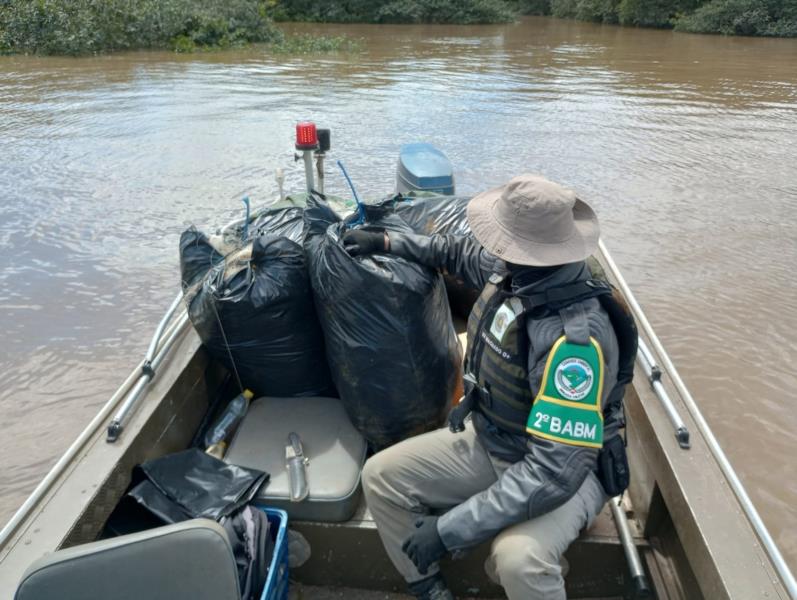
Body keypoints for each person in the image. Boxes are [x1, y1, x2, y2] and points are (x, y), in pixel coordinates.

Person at [342, 174, 636, 600]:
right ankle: (428, 587)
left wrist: (447, 530)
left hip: (570, 473)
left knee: (519, 558)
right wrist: (388, 243)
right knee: (381, 477)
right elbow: (457, 252)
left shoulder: (574, 345)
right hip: (496, 439)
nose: (496, 248)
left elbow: (555, 472)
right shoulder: (521, 273)